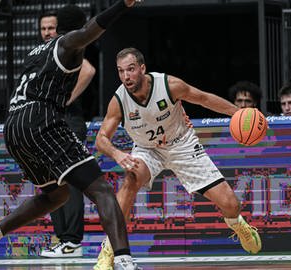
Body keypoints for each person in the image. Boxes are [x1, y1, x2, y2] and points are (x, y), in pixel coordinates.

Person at [0, 2, 142, 270]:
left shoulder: (35, 51)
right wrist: (122, 6)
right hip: (41, 120)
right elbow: (90, 29)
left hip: (13, 126)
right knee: (103, 190)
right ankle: (124, 261)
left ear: (57, 26)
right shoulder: (68, 43)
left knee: (55, 195)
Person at [93, 47, 262, 269]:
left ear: (142, 69)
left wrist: (237, 113)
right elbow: (101, 139)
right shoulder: (119, 100)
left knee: (231, 204)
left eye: (131, 69)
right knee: (131, 178)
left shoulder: (169, 85)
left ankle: (237, 224)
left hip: (182, 144)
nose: (126, 76)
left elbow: (203, 98)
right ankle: (110, 249)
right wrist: (117, 153)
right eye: (121, 71)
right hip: (147, 149)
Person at [37, 10, 95, 258]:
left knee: (70, 180)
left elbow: (89, 70)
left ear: (59, 29)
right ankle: (64, 240)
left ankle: (71, 241)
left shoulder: (67, 47)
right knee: (53, 182)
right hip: (49, 124)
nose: (47, 32)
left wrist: (65, 100)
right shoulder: (45, 53)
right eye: (43, 29)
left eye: (51, 28)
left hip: (68, 121)